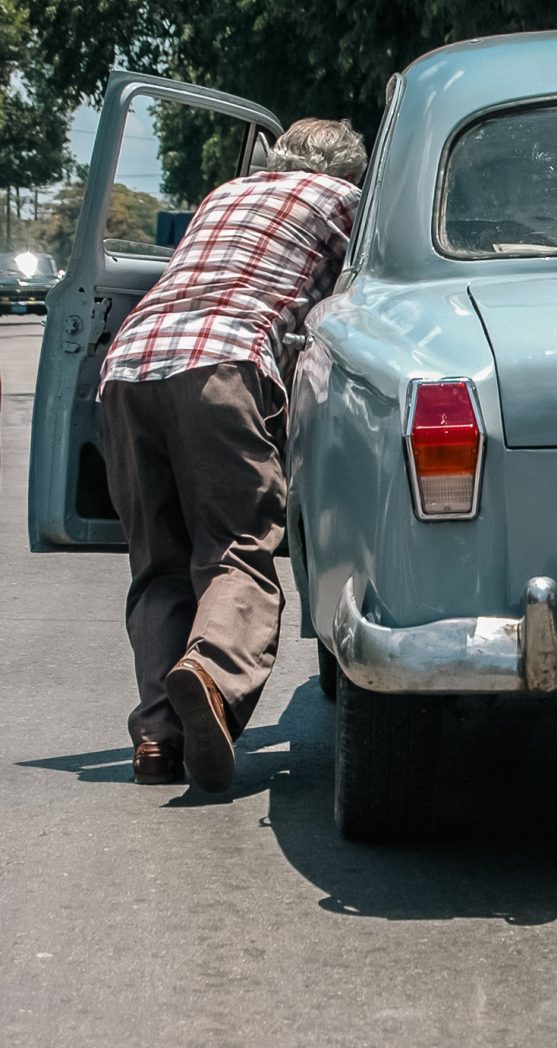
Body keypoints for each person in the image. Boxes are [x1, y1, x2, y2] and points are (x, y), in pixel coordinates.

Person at [101, 118, 367, 793]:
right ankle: (212, 678)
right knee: (238, 549)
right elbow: (361, 304)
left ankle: (158, 738)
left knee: (158, 564)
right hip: (224, 363)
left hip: (128, 368)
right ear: (349, 171)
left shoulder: (225, 194)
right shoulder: (343, 203)